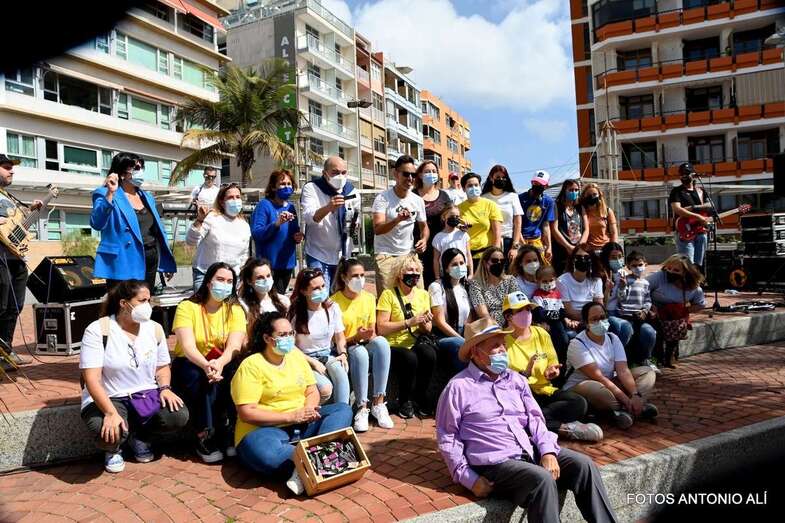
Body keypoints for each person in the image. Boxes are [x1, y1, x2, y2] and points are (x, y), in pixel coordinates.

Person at [436, 317, 618, 523]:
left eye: (503, 345)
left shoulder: (516, 379)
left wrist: (547, 451)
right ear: (475, 352)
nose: (503, 351)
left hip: (528, 451)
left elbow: (536, 419)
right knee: (542, 480)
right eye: (495, 347)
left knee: (584, 466)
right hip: (495, 464)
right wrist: (468, 478)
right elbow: (447, 436)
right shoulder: (458, 387)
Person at [231, 311, 352, 495]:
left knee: (342, 410)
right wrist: (290, 416)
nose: (288, 338)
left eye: (290, 334)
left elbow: (312, 390)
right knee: (261, 451)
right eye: (282, 335)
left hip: (302, 423)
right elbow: (247, 412)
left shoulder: (296, 357)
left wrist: (308, 409)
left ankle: (304, 466)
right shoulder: (251, 365)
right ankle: (322, 459)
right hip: (263, 430)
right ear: (267, 338)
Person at [80, 280, 189, 473]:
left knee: (177, 415)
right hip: (110, 396)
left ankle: (141, 437)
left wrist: (165, 388)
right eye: (142, 301)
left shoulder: (154, 328)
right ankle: (113, 449)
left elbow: (163, 366)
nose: (147, 306)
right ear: (124, 303)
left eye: (149, 300)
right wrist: (110, 412)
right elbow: (92, 379)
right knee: (104, 429)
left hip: (144, 394)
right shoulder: (98, 330)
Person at [502, 292, 603, 442]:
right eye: (520, 311)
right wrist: (525, 373)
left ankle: (536, 422)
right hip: (520, 396)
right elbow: (504, 380)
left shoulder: (541, 333)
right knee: (521, 413)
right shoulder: (501, 340)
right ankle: (564, 429)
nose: (526, 314)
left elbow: (552, 363)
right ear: (508, 317)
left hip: (545, 391)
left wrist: (552, 371)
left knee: (579, 403)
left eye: (528, 310)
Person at [171, 262, 246, 463]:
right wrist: (206, 365)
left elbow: (234, 346)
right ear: (208, 282)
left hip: (222, 361)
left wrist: (219, 363)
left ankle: (229, 430)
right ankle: (204, 435)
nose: (225, 284)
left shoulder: (235, 310)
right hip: (191, 363)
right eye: (220, 279)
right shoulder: (187, 307)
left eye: (230, 281)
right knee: (202, 378)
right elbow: (187, 347)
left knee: (236, 374)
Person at [562, 303, 658, 430]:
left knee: (648, 372)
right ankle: (635, 408)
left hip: (609, 383)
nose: (600, 322)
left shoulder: (613, 338)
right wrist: (625, 398)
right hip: (584, 385)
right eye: (594, 319)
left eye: (602, 317)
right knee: (600, 391)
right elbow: (599, 378)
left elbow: (623, 370)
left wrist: (635, 395)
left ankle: (626, 410)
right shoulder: (578, 344)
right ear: (586, 323)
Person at [91, 152, 176, 292]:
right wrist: (110, 194)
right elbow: (97, 223)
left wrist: (165, 261)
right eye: (136, 168)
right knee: (123, 306)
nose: (140, 172)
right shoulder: (104, 193)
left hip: (149, 256)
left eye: (142, 167)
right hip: (123, 260)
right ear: (122, 173)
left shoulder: (147, 197)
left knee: (143, 304)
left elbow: (156, 229)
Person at [331, 258, 394, 432]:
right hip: (346, 346)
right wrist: (356, 337)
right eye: (355, 276)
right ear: (344, 278)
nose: (360, 279)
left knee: (381, 343)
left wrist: (366, 335)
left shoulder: (368, 298)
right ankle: (361, 407)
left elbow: (373, 331)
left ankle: (379, 403)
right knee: (360, 353)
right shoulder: (334, 302)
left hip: (364, 341)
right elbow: (337, 339)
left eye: (362, 275)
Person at [376, 254, 434, 419]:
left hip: (416, 340)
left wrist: (423, 323)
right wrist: (409, 322)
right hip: (393, 344)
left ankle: (421, 396)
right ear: (399, 274)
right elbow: (381, 327)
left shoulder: (423, 294)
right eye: (409, 270)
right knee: (410, 358)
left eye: (417, 270)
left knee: (429, 354)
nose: (414, 274)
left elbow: (428, 328)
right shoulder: (389, 295)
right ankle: (404, 400)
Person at [0, 154, 42, 367]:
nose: (11, 171)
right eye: (7, 167)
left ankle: (5, 352)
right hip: (0, 257)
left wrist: (30, 210)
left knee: (14, 306)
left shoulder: (9, 197)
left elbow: (15, 224)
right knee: (1, 304)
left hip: (16, 257)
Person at [287, 268, 350, 405]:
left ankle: (343, 415)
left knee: (340, 372)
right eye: (315, 288)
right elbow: (290, 346)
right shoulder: (295, 312)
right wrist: (313, 362)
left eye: (323, 286)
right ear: (304, 291)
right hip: (304, 359)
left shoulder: (332, 308)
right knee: (325, 388)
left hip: (327, 354)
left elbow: (340, 337)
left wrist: (343, 354)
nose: (321, 290)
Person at [372, 155, 428, 296]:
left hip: (409, 255)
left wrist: (424, 239)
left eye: (413, 175)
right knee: (387, 298)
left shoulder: (417, 200)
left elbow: (424, 226)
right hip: (386, 255)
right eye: (406, 174)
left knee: (417, 295)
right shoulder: (382, 198)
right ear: (396, 174)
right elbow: (377, 229)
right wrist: (397, 220)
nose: (410, 178)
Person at [301, 156, 359, 293]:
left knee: (341, 297)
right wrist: (328, 207)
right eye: (335, 172)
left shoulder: (352, 192)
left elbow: (355, 224)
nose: (340, 176)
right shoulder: (312, 188)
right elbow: (309, 217)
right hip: (318, 253)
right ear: (324, 173)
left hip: (342, 256)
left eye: (343, 173)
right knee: (320, 295)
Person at [187, 183, 251, 292]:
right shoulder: (212, 218)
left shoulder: (244, 225)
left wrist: (242, 280)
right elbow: (191, 241)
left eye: (238, 197)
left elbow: (244, 256)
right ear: (221, 201)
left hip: (231, 280)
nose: (235, 200)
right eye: (230, 197)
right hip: (206, 276)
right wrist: (199, 220)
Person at [647, 254, 706, 368]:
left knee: (675, 330)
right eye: (669, 268)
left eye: (676, 270)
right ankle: (656, 358)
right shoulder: (659, 277)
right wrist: (650, 306)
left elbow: (700, 304)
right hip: (654, 312)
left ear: (685, 272)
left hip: (674, 318)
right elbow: (642, 288)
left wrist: (683, 310)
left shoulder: (694, 288)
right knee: (656, 332)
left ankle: (670, 357)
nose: (670, 272)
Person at [251, 170, 303, 294]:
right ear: (274, 187)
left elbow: (294, 231)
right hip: (269, 267)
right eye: (282, 184)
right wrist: (276, 224)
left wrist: (297, 236)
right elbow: (257, 233)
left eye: (289, 184)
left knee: (280, 298)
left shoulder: (290, 207)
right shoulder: (264, 205)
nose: (287, 187)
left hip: (287, 265)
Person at [610, 251, 658, 371]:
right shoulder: (625, 280)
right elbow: (621, 298)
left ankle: (646, 358)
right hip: (626, 315)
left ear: (645, 264)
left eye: (640, 265)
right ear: (628, 266)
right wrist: (622, 287)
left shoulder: (645, 283)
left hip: (640, 316)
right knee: (627, 332)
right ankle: (619, 363)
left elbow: (648, 300)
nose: (638, 268)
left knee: (649, 332)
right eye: (634, 265)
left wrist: (645, 311)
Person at [429, 248, 474, 372]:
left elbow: (469, 318)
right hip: (443, 335)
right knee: (459, 344)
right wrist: (463, 340)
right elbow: (439, 321)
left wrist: (469, 338)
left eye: (461, 263)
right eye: (454, 264)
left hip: (464, 333)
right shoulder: (437, 287)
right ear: (446, 268)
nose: (459, 267)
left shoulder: (467, 287)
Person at [414, 160, 452, 286]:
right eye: (427, 171)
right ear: (419, 174)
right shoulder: (412, 195)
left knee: (438, 281)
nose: (431, 174)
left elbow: (452, 215)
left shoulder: (444, 196)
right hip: (417, 246)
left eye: (434, 171)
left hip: (439, 246)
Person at [669, 162, 712, 267]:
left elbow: (709, 205)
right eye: (681, 174)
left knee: (699, 264)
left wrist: (694, 207)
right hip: (684, 230)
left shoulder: (700, 191)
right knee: (687, 263)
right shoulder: (676, 191)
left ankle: (696, 282)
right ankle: (687, 283)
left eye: (686, 173)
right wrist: (697, 215)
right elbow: (677, 209)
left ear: (693, 174)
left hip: (700, 231)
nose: (683, 176)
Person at [481, 165, 524, 265]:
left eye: (504, 177)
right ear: (491, 178)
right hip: (489, 242)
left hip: (509, 241)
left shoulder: (512, 196)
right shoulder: (484, 198)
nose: (501, 179)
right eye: (498, 177)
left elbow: (518, 223)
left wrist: (515, 247)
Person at [531, 266, 575, 363]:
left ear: (555, 279)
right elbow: (539, 313)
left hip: (558, 324)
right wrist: (555, 315)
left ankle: (562, 363)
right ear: (538, 282)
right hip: (546, 325)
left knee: (564, 341)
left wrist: (554, 315)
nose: (548, 284)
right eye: (545, 281)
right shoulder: (537, 295)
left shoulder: (557, 294)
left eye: (551, 280)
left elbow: (562, 312)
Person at [467, 247, 519, 327]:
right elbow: (483, 314)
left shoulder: (510, 280)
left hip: (512, 322)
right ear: (485, 263)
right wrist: (496, 328)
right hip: (489, 326)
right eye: (494, 261)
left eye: (502, 261)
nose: (499, 263)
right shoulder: (476, 284)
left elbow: (517, 305)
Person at [238, 258, 290, 337]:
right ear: (249, 281)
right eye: (260, 278)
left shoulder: (283, 301)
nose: (266, 280)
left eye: (268, 276)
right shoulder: (243, 305)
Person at [557, 245, 604, 331]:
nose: (582, 260)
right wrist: (590, 318)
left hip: (593, 320)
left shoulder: (596, 280)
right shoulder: (562, 281)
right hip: (574, 322)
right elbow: (569, 311)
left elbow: (599, 306)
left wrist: (592, 319)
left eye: (586, 257)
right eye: (578, 257)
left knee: (622, 326)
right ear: (572, 260)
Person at [458, 172, 502, 261]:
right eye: (470, 186)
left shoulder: (490, 205)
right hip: (466, 255)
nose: (474, 188)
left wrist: (495, 254)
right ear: (463, 189)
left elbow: (497, 233)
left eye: (476, 185)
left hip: (487, 255)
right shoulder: (458, 208)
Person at [598, 242, 634, 351]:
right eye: (613, 257)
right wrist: (607, 290)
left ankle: (618, 355)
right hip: (605, 311)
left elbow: (622, 298)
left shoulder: (622, 273)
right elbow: (600, 303)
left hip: (618, 310)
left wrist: (623, 287)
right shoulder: (600, 274)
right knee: (621, 326)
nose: (617, 260)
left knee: (628, 327)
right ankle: (614, 354)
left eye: (620, 257)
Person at [551, 179, 588, 274]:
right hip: (561, 251)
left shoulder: (580, 207)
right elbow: (554, 229)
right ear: (564, 190)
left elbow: (586, 229)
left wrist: (580, 246)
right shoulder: (557, 206)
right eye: (571, 190)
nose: (574, 192)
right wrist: (568, 247)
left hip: (578, 250)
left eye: (576, 190)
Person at [518, 170, 555, 262]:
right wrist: (522, 244)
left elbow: (546, 225)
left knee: (542, 267)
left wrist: (549, 247)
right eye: (535, 183)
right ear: (532, 182)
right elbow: (516, 224)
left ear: (546, 186)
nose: (537, 186)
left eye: (540, 184)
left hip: (536, 240)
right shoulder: (520, 199)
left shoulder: (548, 202)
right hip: (520, 239)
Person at [431, 204, 473, 279]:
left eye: (457, 216)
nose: (455, 218)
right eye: (452, 216)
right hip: (446, 274)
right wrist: (437, 277)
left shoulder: (463, 234)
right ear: (444, 217)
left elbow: (468, 254)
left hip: (462, 273)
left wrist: (471, 273)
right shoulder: (438, 237)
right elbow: (436, 259)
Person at [581, 183, 618, 255]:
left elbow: (614, 233)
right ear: (584, 196)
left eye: (595, 194)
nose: (592, 196)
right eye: (588, 194)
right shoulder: (581, 212)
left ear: (599, 195)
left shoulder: (607, 211)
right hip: (588, 251)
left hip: (605, 249)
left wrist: (613, 249)